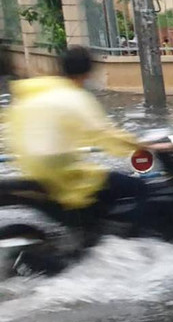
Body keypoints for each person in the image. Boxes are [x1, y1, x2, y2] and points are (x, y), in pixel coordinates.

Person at [1, 46, 149, 226]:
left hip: (35, 172)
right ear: (87, 73)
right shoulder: (75, 97)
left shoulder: (33, 92)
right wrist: (140, 145)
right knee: (138, 187)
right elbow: (105, 134)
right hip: (66, 177)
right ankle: (133, 234)